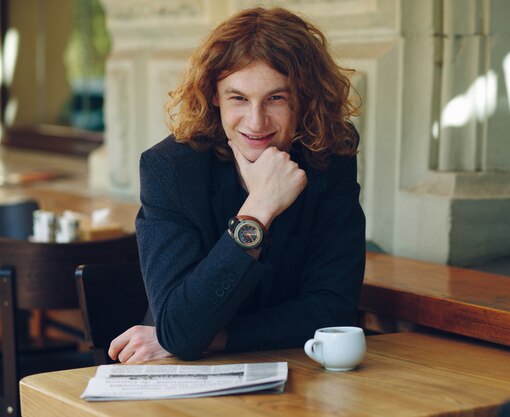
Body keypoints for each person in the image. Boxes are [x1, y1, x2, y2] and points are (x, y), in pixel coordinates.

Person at [108, 6, 366, 363]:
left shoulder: (330, 156)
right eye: (239, 98)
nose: (256, 122)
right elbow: (181, 332)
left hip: (293, 370)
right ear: (214, 95)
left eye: (276, 98)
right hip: (184, 377)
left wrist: (220, 337)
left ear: (304, 98)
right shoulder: (171, 169)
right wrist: (259, 209)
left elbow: (333, 310)